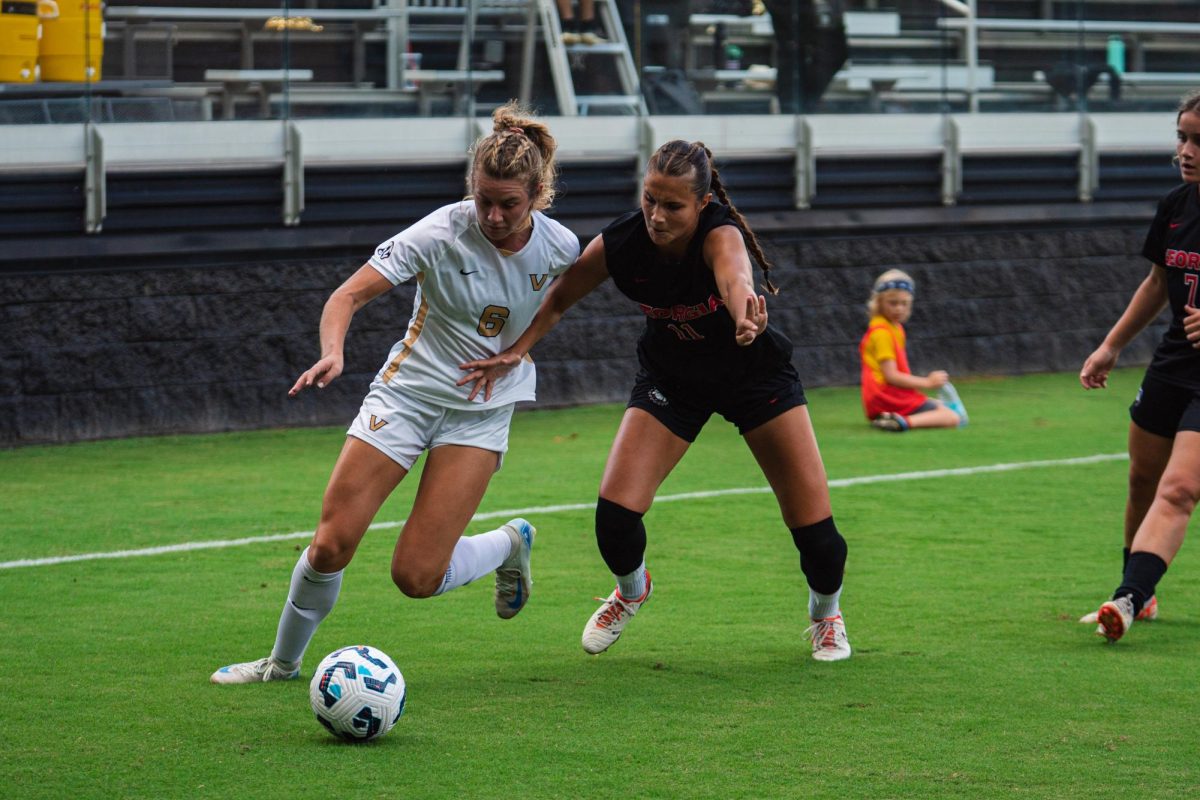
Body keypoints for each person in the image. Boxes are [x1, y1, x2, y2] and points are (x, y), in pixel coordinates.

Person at [211, 102, 581, 684]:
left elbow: (561, 300)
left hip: (479, 415)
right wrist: (333, 351)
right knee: (331, 545)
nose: (492, 213)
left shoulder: (561, 246)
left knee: (416, 577)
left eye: (508, 203)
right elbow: (346, 296)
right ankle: (281, 665)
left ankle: (510, 544)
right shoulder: (441, 231)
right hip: (404, 398)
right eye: (483, 198)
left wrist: (519, 348)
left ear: (537, 192)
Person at [459, 139, 853, 662]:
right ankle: (631, 590)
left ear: (702, 204)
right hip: (674, 378)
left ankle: (826, 614)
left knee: (817, 538)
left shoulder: (720, 235)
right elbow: (559, 296)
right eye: (650, 199)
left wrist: (744, 317)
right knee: (614, 519)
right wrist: (516, 351)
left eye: (673, 206)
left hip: (754, 377)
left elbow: (736, 278)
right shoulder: (623, 242)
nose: (657, 216)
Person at [1082, 89, 1200, 643]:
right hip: (1174, 363)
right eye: (1182, 136)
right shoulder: (1176, 206)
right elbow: (1157, 284)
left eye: (1199, 140)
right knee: (1142, 480)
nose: (1187, 150)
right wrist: (1111, 347)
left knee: (1178, 490)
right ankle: (1138, 590)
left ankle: (1127, 600)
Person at [859, 269, 966, 432]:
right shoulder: (882, 333)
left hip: (882, 397)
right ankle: (902, 422)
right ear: (879, 302)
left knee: (938, 405)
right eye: (893, 303)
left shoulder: (894, 328)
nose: (899, 309)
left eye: (904, 303)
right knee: (952, 417)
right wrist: (927, 382)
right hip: (886, 396)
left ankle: (890, 417)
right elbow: (891, 376)